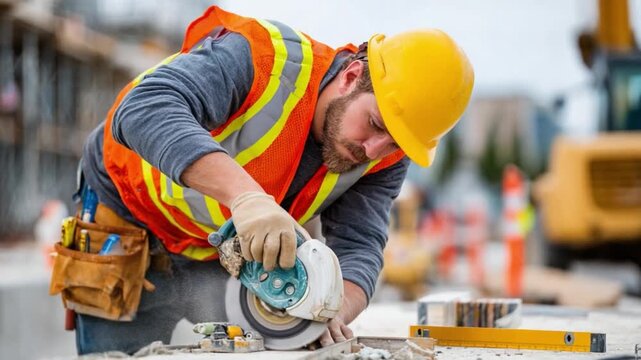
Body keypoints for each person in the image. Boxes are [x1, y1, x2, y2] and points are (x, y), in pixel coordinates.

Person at [73, 6, 474, 354]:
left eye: (394, 143)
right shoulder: (263, 59)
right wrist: (247, 198)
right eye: (373, 125)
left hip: (220, 249)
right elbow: (142, 109)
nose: (373, 150)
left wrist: (330, 308)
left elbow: (360, 243)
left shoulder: (387, 151)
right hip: (129, 217)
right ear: (352, 76)